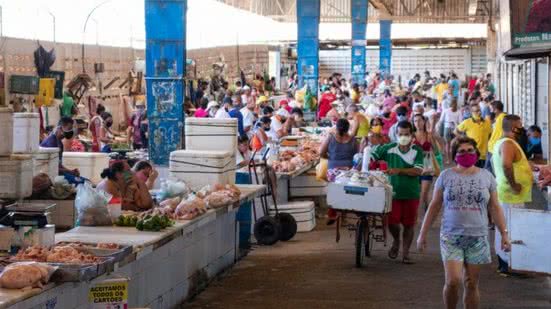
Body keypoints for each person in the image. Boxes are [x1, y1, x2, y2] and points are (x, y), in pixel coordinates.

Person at [417, 137, 510, 309]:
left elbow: (495, 207)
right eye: (461, 151)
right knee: (453, 281)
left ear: (476, 153)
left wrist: (504, 233)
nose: (466, 154)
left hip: (478, 236)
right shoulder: (446, 176)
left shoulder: (487, 177)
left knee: (471, 282)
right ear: (454, 155)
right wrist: (422, 234)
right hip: (451, 236)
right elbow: (434, 206)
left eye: (470, 151)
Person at [372, 121, 423, 263]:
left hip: (411, 193)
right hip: (392, 193)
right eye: (401, 134)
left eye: (406, 134)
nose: (404, 137)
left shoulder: (417, 150)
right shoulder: (389, 148)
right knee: (392, 223)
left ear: (412, 135)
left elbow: (418, 170)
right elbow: (373, 155)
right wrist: (368, 149)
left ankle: (406, 253)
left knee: (409, 224)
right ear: (396, 134)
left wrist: (399, 170)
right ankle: (396, 241)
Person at [492, 115, 533, 274]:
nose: (522, 128)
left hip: (509, 195)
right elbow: (507, 165)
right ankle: (508, 264)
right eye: (520, 125)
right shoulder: (508, 143)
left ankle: (506, 263)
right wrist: (515, 184)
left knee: (505, 228)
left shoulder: (504, 142)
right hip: (510, 196)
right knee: (508, 229)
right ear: (513, 127)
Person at [320, 119, 359, 225]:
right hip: (349, 170)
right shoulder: (353, 140)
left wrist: (332, 158)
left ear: (336, 127)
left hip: (333, 170)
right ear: (348, 128)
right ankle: (344, 218)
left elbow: (321, 153)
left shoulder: (330, 138)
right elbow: (357, 156)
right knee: (345, 191)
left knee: (334, 191)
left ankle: (332, 213)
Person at [413, 114, 441, 212]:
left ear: (424, 122)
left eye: (419, 120)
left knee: (424, 193)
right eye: (415, 121)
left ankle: (420, 214)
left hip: (427, 166)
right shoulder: (412, 136)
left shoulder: (429, 135)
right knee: (417, 192)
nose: (418, 123)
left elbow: (437, 151)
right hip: (415, 166)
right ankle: (426, 208)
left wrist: (431, 146)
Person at [484, 100, 506, 174]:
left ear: (496, 109)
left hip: (494, 147)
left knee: (489, 169)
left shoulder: (502, 118)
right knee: (489, 168)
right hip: (493, 146)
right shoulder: (500, 117)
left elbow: (502, 133)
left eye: (491, 108)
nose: (490, 110)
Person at [438, 99, 462, 164]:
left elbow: (441, 120)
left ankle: (449, 160)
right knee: (452, 145)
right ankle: (453, 159)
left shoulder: (446, 111)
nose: (454, 105)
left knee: (449, 145)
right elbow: (460, 122)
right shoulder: (457, 111)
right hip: (453, 129)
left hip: (450, 129)